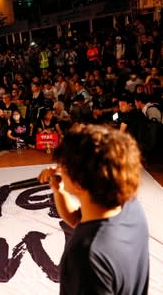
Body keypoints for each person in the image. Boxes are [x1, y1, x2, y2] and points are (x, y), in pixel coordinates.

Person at [38, 124, 149, 294]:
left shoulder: (87, 256)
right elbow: (77, 220)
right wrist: (58, 189)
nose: (58, 169)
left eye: (63, 166)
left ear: (79, 183)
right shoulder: (130, 205)